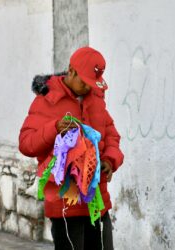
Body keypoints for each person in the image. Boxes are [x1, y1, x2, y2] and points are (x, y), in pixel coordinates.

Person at [19, 47, 124, 250]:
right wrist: (54, 128)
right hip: (65, 206)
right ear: (71, 71)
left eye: (92, 84)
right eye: (84, 82)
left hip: (97, 202)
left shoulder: (96, 101)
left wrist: (110, 160)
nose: (87, 88)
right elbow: (26, 143)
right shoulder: (46, 102)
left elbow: (112, 136)